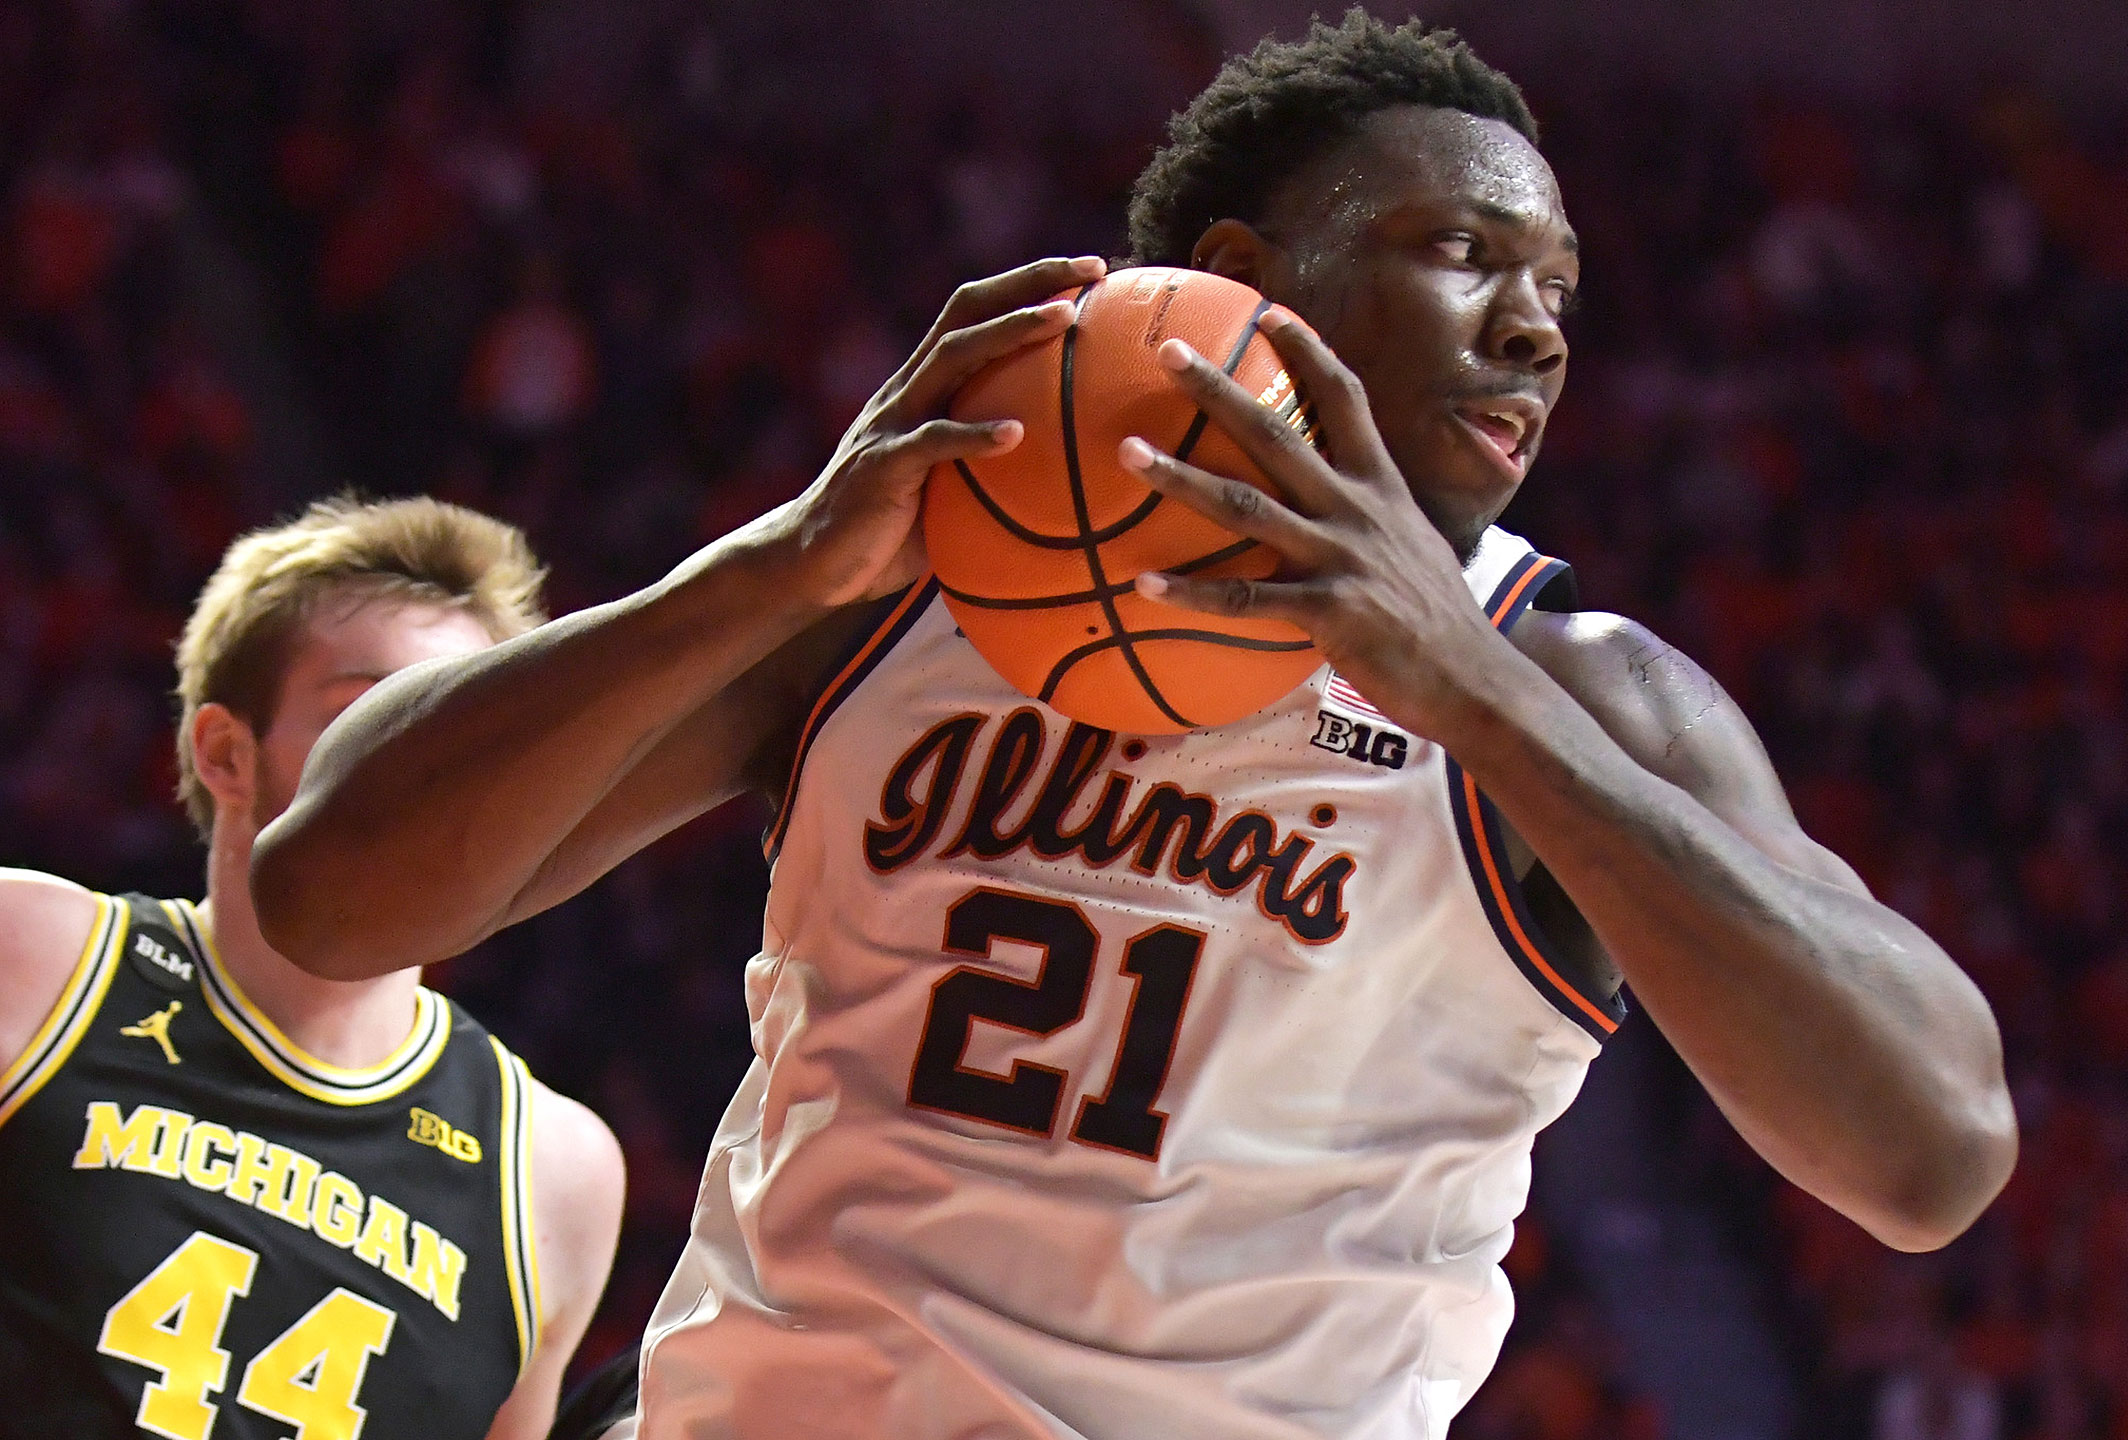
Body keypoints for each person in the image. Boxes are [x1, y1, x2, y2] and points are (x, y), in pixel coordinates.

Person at [252, 15, 2017, 1439]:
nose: (1535, 329)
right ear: (1250, 275)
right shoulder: (895, 579)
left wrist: (1464, 692)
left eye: (1557, 284)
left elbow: (1931, 1155)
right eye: (1464, 252)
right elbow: (329, 896)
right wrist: (773, 565)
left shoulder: (1572, 686)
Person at [0, 496, 624, 1439]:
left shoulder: (554, 1169)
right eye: (377, 716)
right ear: (226, 755)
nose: (434, 768)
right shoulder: (35, 955)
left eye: (475, 731)